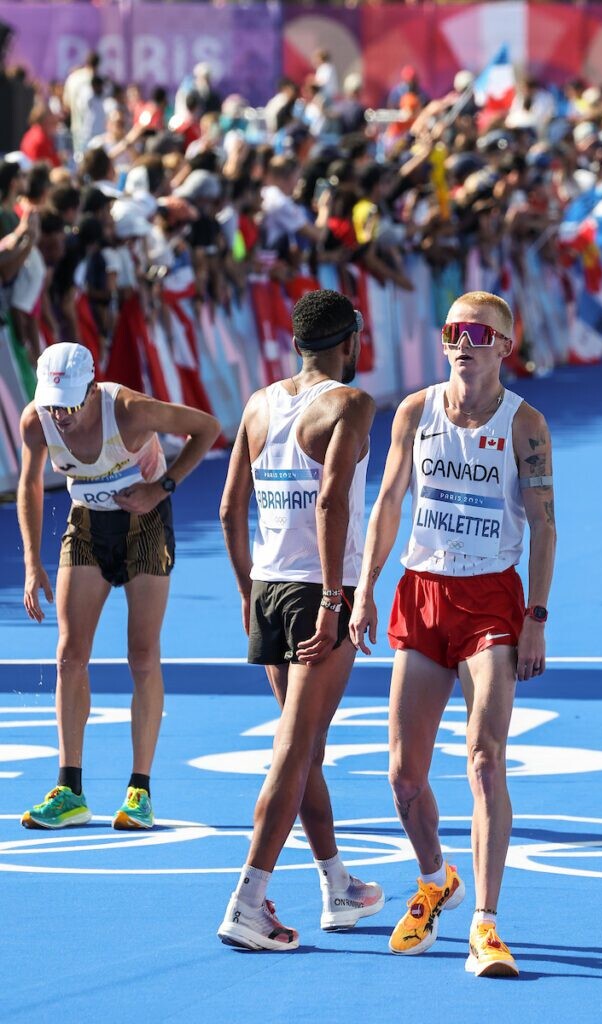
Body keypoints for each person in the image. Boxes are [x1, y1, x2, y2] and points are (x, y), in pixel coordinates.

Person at [349, 290, 556, 978]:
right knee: (404, 777)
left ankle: (486, 926)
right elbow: (387, 502)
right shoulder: (415, 411)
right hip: (422, 593)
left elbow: (545, 524)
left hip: (491, 598)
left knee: (484, 761)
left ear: (505, 347)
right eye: (453, 331)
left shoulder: (525, 424)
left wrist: (536, 618)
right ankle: (436, 879)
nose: (464, 343)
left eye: (479, 333)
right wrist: (365, 587)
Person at [217, 288, 383, 952]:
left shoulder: (259, 403)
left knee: (305, 746)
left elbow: (229, 508)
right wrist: (338, 600)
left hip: (267, 587)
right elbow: (332, 502)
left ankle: (337, 885)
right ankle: (247, 900)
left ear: (296, 344)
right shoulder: (352, 403)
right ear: (350, 343)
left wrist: (245, 590)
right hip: (319, 591)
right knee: (294, 749)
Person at [17, 342, 220, 831]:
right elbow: (28, 484)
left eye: (69, 404)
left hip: (146, 525)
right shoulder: (36, 420)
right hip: (87, 524)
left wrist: (161, 487)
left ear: (91, 390)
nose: (61, 416)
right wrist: (31, 562)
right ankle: (69, 790)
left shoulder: (129, 410)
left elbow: (207, 428)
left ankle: (140, 791)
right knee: (69, 655)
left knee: (142, 656)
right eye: (53, 404)